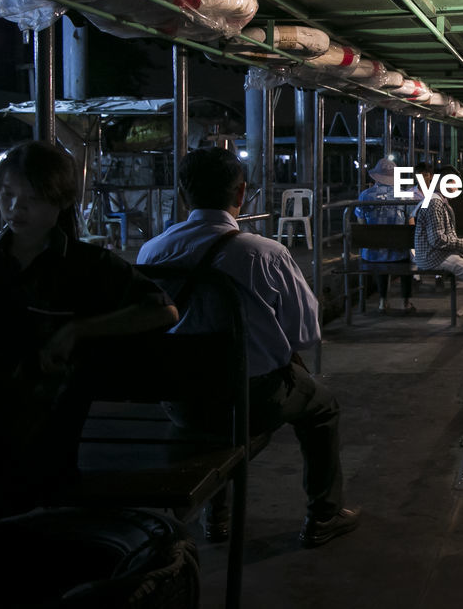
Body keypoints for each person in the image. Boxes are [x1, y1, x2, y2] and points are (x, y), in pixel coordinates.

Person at [0, 141, 176, 583]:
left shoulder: (87, 267)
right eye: (7, 195)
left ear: (61, 202)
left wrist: (77, 330)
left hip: (32, 437)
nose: (16, 208)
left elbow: (162, 309)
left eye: (31, 199)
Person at [137, 148, 359, 548]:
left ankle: (216, 517)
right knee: (322, 407)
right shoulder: (264, 253)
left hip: (182, 401)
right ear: (241, 193)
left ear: (184, 195)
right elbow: (306, 332)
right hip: (252, 399)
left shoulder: (151, 252)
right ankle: (324, 515)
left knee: (221, 413)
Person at [413, 162, 463, 330]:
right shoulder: (435, 203)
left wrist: (462, 244)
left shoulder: (438, 200)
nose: (456, 188)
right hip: (432, 256)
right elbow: (437, 240)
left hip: (437, 253)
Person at [357, 156, 417, 314]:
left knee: (379, 252)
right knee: (406, 257)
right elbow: (410, 225)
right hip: (399, 253)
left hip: (372, 253)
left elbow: (361, 223)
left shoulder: (365, 195)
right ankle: (406, 302)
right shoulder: (405, 196)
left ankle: (383, 301)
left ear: (376, 176)